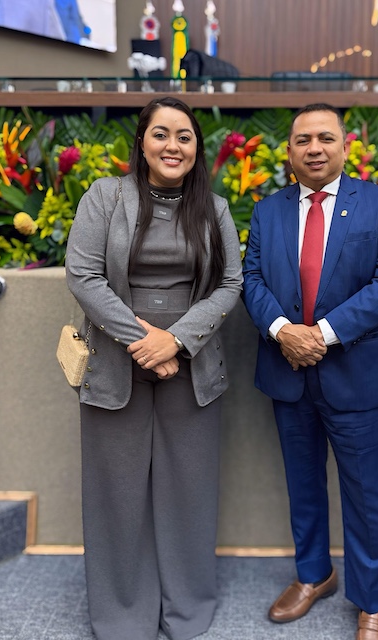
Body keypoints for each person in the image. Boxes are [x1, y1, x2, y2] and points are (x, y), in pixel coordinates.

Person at [65, 96, 243, 640]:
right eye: (161, 134)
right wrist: (147, 342)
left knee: (189, 489)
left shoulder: (213, 208)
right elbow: (83, 275)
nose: (173, 145)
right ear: (141, 142)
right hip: (116, 361)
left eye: (184, 136)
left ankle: (185, 608)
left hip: (191, 365)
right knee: (115, 492)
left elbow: (230, 284)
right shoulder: (104, 196)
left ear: (196, 148)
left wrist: (177, 343)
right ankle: (122, 615)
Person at [243, 103, 378, 640]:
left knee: (366, 492)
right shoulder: (267, 211)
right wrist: (282, 331)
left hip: (355, 373)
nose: (314, 148)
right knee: (303, 485)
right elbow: (250, 280)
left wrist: (322, 334)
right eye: (302, 140)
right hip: (286, 369)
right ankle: (314, 575)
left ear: (344, 145)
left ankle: (371, 602)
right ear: (289, 151)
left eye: (325, 138)